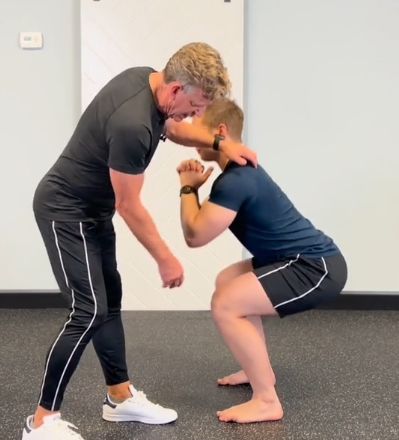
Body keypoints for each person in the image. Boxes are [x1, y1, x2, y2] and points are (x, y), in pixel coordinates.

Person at [25, 42, 257, 440]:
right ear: (175, 88)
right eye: (195, 105)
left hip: (93, 211)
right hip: (66, 211)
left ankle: (119, 398)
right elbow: (129, 205)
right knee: (88, 311)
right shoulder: (132, 124)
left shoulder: (147, 80)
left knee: (109, 303)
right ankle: (41, 421)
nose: (195, 115)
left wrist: (222, 143)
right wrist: (166, 258)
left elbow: (172, 126)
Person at [176, 98, 348, 424]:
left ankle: (267, 401)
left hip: (315, 267)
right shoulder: (237, 173)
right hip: (295, 259)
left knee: (226, 303)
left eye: (197, 127)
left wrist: (187, 188)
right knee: (228, 281)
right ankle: (257, 370)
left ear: (220, 131)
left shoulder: (236, 180)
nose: (194, 136)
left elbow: (195, 236)